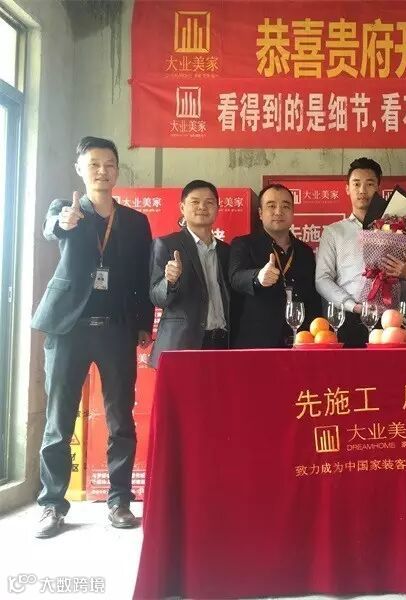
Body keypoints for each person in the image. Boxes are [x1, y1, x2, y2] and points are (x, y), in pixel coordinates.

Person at [31, 136, 154, 537]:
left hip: (116, 328)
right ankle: (52, 505)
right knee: (58, 420)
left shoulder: (135, 222)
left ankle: (119, 500)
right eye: (94, 164)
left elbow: (142, 277)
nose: (102, 171)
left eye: (109, 164)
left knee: (120, 419)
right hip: (69, 328)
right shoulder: (66, 209)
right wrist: (63, 221)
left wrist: (142, 323)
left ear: (118, 170)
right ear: (80, 169)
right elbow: (52, 227)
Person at [316, 157, 406, 347]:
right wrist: (353, 306)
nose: (362, 190)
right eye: (356, 184)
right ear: (347, 188)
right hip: (349, 318)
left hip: (390, 320)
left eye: (369, 184)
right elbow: (322, 279)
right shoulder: (334, 232)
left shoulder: (396, 230)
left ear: (378, 188)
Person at [148, 180, 231, 366]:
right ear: (182, 207)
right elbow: (156, 297)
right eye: (195, 202)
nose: (202, 207)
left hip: (221, 343)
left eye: (209, 202)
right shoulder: (166, 244)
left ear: (217, 209)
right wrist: (169, 281)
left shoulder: (226, 250)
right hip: (182, 344)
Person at [230, 184, 321, 347]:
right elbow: (235, 278)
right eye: (271, 206)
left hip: (300, 340)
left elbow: (313, 298)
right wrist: (258, 277)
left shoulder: (305, 251)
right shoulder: (244, 244)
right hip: (257, 342)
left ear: (293, 212)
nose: (278, 212)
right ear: (260, 213)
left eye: (285, 206)